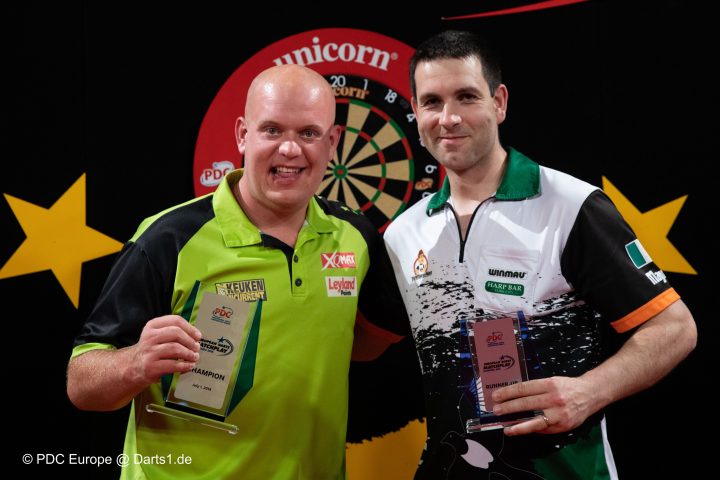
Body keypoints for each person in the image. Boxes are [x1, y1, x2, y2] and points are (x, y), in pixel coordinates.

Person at [67, 64, 408, 479]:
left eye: (308, 133)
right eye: (272, 130)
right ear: (243, 135)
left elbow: (368, 342)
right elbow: (81, 384)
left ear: (332, 142)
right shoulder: (169, 238)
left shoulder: (356, 236)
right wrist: (136, 363)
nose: (290, 149)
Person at [383, 30, 697, 479]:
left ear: (499, 103)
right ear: (415, 112)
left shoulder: (571, 206)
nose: (448, 118)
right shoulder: (403, 233)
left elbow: (674, 328)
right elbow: (360, 337)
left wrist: (588, 392)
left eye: (466, 97)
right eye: (432, 102)